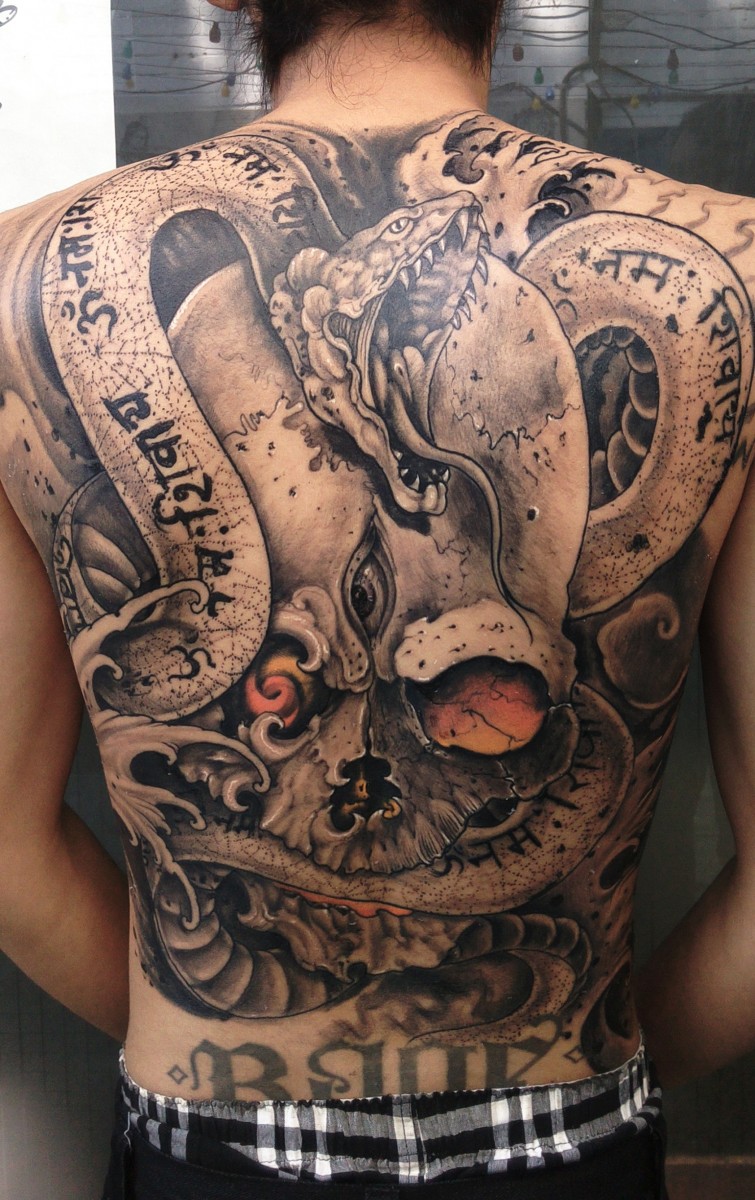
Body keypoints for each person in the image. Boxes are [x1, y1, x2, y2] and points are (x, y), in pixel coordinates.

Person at [1, 1, 754, 1196]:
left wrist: (206, 1056)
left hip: (213, 1150)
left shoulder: (17, 282)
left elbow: (4, 848)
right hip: (568, 1140)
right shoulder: (736, 274)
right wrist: (599, 1065)